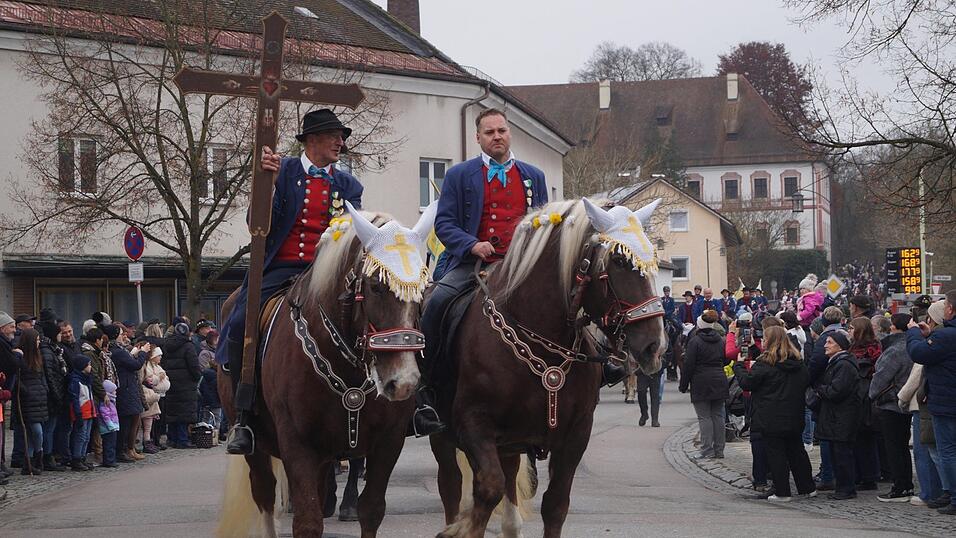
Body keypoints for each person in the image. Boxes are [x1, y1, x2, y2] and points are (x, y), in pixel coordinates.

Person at [216, 109, 364, 455]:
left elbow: (353, 232)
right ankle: (244, 416)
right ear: (312, 141)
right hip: (281, 267)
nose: (341, 142)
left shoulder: (349, 185)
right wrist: (263, 183)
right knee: (240, 322)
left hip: (326, 273)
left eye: (342, 137)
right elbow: (257, 221)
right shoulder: (282, 173)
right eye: (334, 136)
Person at [416, 107, 549, 436]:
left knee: (566, 298)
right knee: (435, 304)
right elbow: (444, 223)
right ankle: (424, 391)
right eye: (489, 133)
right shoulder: (460, 175)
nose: (497, 137)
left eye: (501, 130)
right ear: (478, 138)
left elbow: (544, 224)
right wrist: (472, 244)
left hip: (522, 267)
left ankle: (599, 368)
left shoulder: (535, 176)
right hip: (472, 264)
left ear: (509, 133)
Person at [733, 326, 814, 501]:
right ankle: (807, 487)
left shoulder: (765, 364)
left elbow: (747, 382)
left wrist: (739, 366)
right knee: (796, 451)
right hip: (794, 414)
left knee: (776, 453)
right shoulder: (798, 363)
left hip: (770, 415)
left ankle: (782, 491)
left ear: (768, 341)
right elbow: (806, 381)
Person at [906, 291, 956, 515]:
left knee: (947, 451)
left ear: (951, 310)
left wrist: (914, 334)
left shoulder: (947, 336)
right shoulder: (945, 336)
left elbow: (918, 353)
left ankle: (954, 496)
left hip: (946, 403)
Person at [898, 314, 944, 506]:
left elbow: (917, 374)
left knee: (924, 451)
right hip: (936, 402)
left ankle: (928, 492)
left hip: (922, 404)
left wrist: (902, 397)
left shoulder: (932, 343)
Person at [870, 312, 915, 502]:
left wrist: (872, 394)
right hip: (905, 402)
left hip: (890, 403)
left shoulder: (895, 349)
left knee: (894, 447)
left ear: (894, 328)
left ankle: (899, 486)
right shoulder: (912, 346)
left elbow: (881, 376)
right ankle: (906, 484)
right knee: (902, 446)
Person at [813, 330, 862, 500]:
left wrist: (820, 390)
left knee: (842, 455)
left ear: (840, 346)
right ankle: (842, 487)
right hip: (836, 415)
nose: (825, 346)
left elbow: (837, 390)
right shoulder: (836, 362)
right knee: (837, 453)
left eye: (830, 342)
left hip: (842, 416)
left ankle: (846, 489)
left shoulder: (844, 364)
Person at [680, 310, 728, 459]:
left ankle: (707, 450)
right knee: (718, 415)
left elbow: (688, 365)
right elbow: (725, 360)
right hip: (719, 379)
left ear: (699, 325)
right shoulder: (721, 340)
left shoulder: (695, 341)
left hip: (701, 381)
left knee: (704, 417)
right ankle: (719, 450)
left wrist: (683, 384)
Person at [847, 316, 882, 490]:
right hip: (859, 396)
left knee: (865, 439)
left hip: (865, 397)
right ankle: (862, 474)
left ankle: (868, 476)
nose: (849, 331)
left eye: (852, 328)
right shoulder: (854, 348)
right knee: (860, 439)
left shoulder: (870, 349)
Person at [10, 328, 49, 475]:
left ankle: (31, 461)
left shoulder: (38, 358)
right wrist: (25, 391)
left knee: (34, 433)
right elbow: (15, 379)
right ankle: (36, 457)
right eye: (37, 340)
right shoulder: (20, 357)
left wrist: (44, 390)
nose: (39, 342)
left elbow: (42, 376)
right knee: (35, 431)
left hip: (39, 399)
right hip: (27, 400)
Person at [110, 327, 148, 463]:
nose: (124, 337)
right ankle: (122, 450)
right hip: (125, 389)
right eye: (121, 334)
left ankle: (129, 449)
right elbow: (135, 364)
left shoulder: (120, 350)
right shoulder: (118, 352)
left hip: (129, 388)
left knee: (132, 420)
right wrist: (143, 353)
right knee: (125, 422)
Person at [161, 321, 201, 449]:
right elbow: (194, 366)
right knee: (184, 412)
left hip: (170, 381)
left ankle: (172, 438)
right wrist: (196, 377)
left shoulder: (166, 345)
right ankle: (182, 440)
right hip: (186, 383)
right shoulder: (188, 346)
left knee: (172, 410)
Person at [38, 312, 69, 472]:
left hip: (55, 393)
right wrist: (57, 395)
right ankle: (47, 456)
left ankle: (47, 455)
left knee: (50, 428)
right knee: (49, 428)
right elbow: (50, 375)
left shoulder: (52, 349)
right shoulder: (48, 351)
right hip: (52, 396)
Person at [67, 353, 97, 471]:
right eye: (88, 365)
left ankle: (82, 457)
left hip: (89, 410)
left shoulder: (86, 379)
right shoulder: (76, 381)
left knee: (86, 437)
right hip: (82, 412)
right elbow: (75, 398)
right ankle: (77, 458)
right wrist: (78, 413)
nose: (90, 367)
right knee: (81, 436)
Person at [141, 347, 169, 454]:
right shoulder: (148, 366)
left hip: (160, 395)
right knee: (151, 421)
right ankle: (150, 441)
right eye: (159, 356)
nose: (160, 357)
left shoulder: (157, 366)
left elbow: (164, 376)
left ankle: (154, 440)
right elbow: (150, 380)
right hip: (152, 396)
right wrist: (160, 377)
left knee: (158, 420)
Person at [97, 379, 120, 468]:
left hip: (112, 426)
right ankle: (108, 460)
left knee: (112, 443)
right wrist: (111, 425)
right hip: (108, 427)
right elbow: (105, 415)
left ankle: (111, 459)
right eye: (113, 391)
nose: (115, 392)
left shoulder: (111, 401)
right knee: (109, 444)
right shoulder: (105, 402)